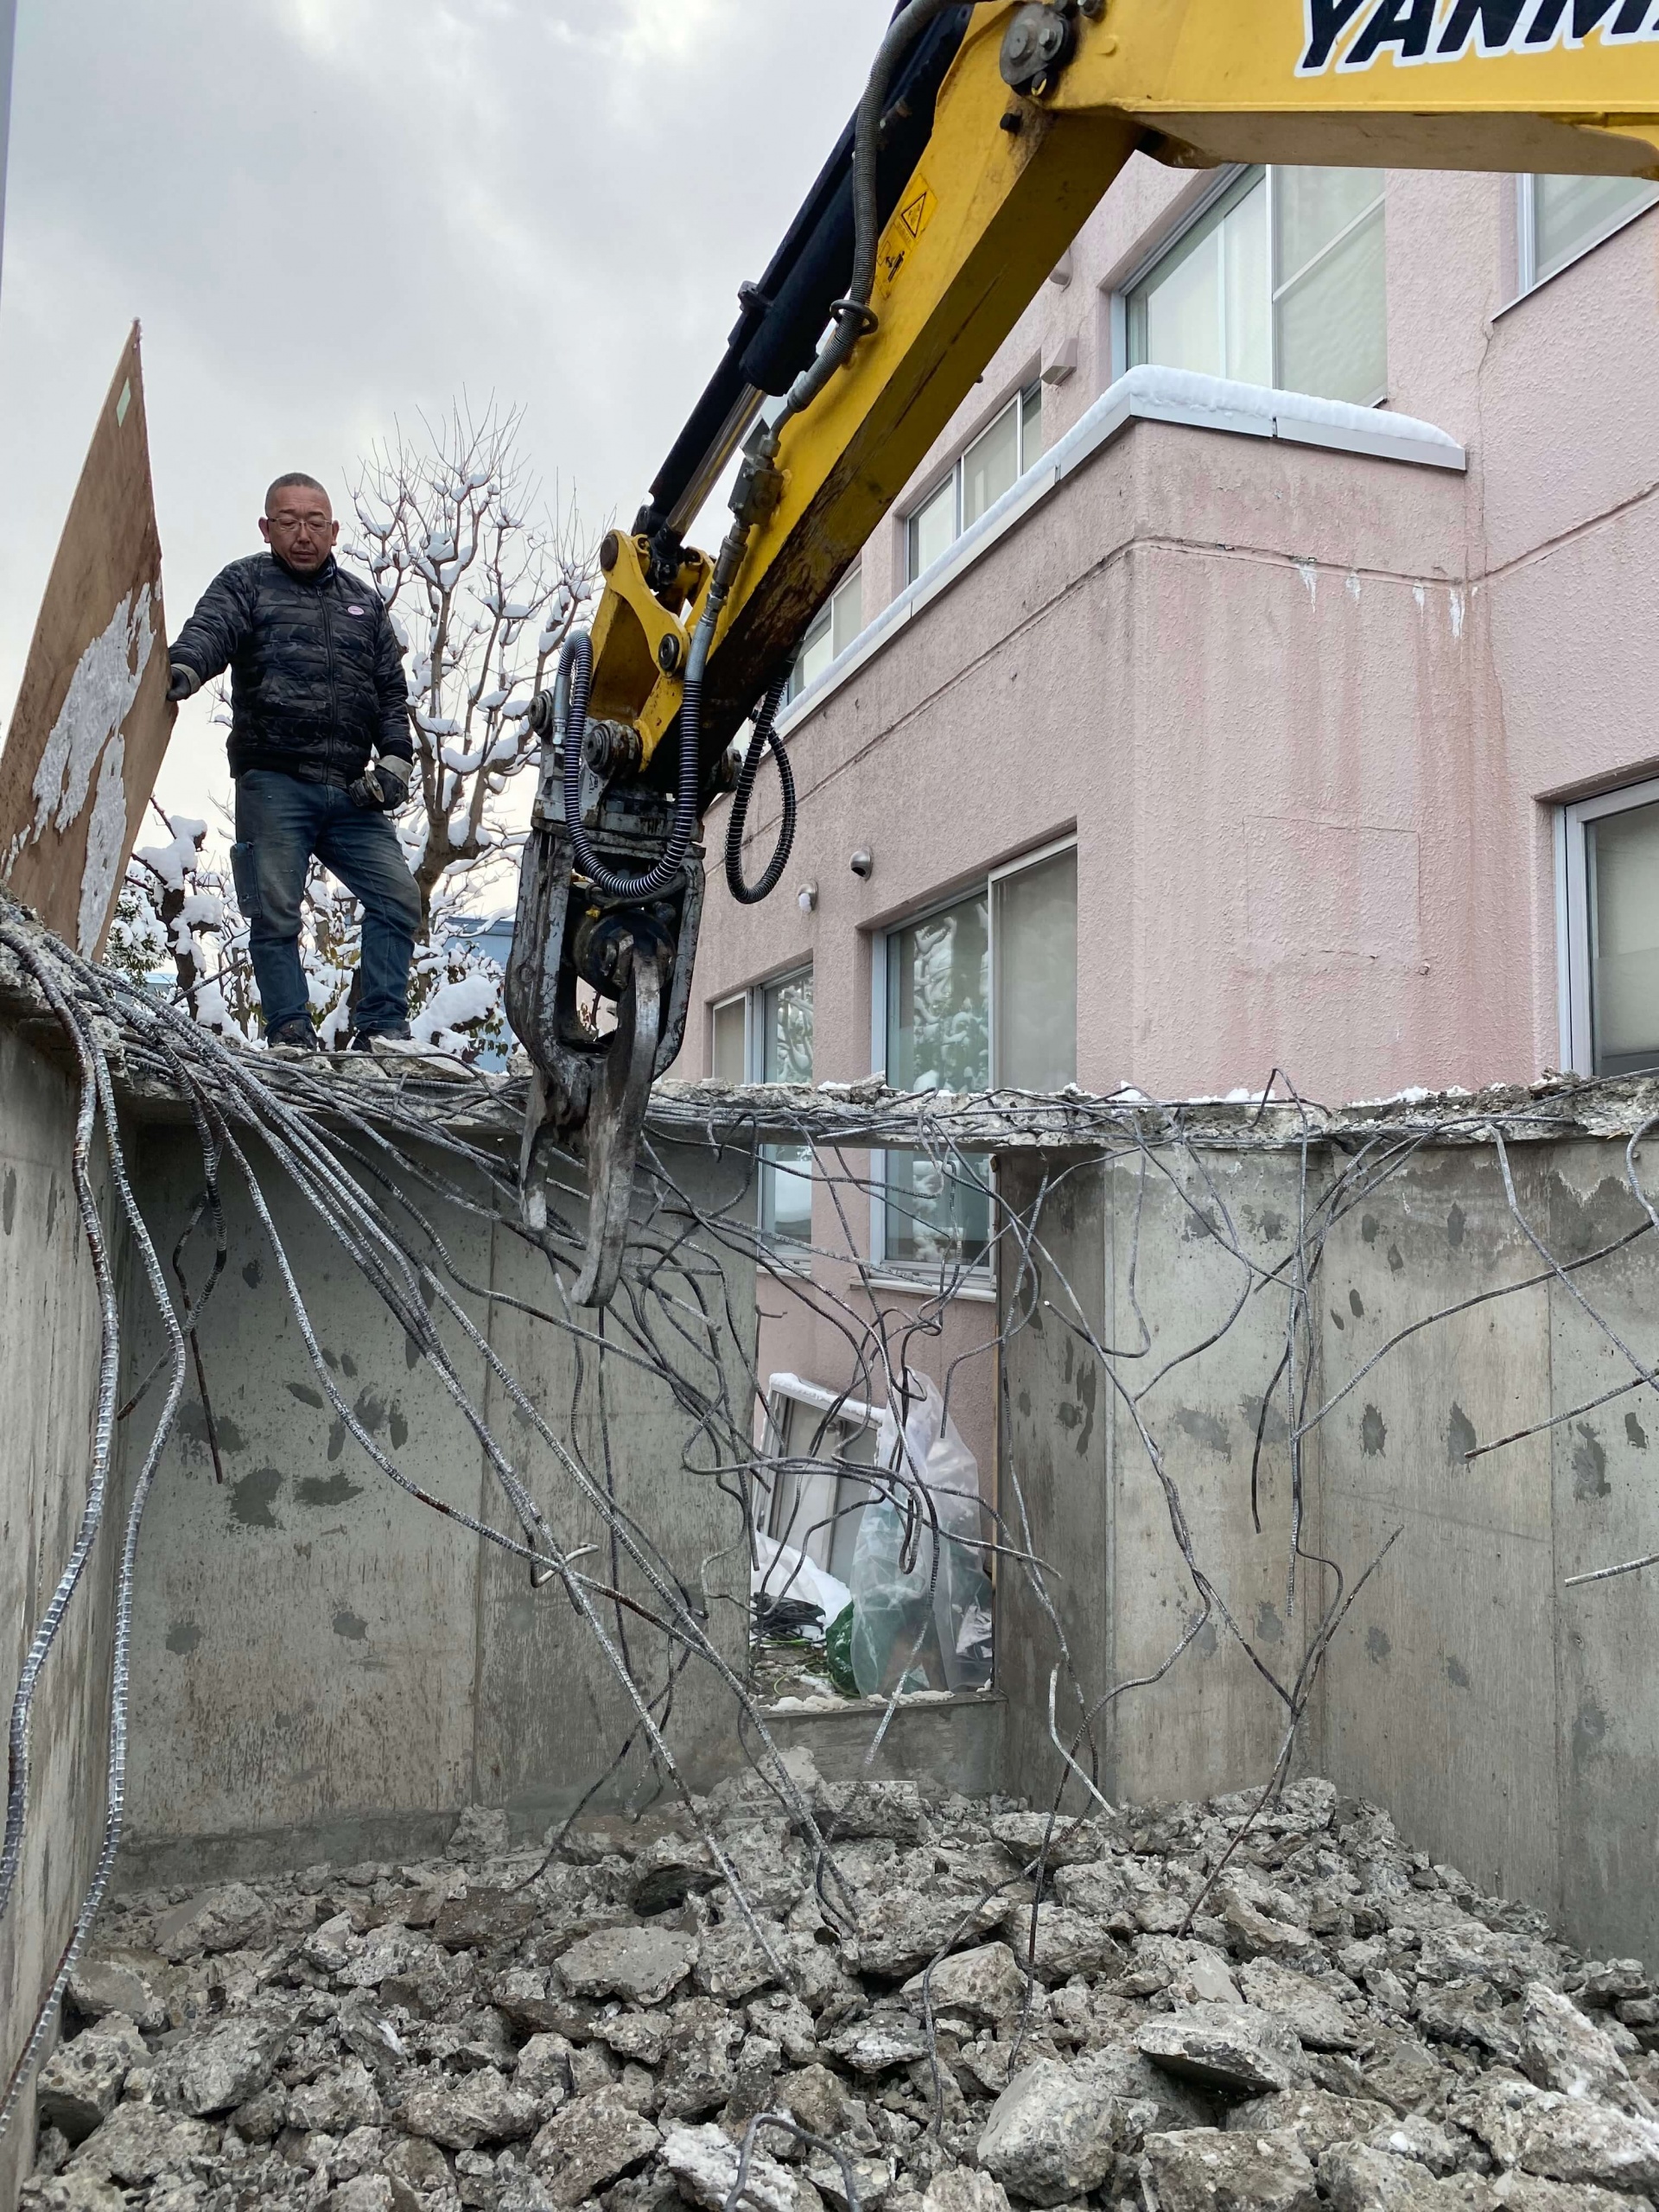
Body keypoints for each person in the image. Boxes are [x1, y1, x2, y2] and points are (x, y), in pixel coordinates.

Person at [166, 473, 423, 1055]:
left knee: (398, 897)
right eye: (288, 522)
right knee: (276, 912)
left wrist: (397, 761)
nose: (302, 535)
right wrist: (183, 669)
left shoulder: (363, 602)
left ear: (333, 530)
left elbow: (388, 689)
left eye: (314, 522)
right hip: (275, 782)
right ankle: (290, 1032)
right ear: (266, 527)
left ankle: (383, 1029)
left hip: (350, 791)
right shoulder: (246, 583)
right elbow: (210, 632)